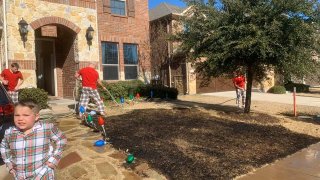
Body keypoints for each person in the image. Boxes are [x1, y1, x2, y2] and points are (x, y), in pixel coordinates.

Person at [0, 99, 67, 179]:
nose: (20, 118)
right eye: (17, 115)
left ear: (36, 116)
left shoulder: (46, 128)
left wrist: (55, 158)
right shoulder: (9, 132)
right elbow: (4, 147)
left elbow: (61, 139)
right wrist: (8, 163)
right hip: (20, 176)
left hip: (43, 174)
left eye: (26, 115)